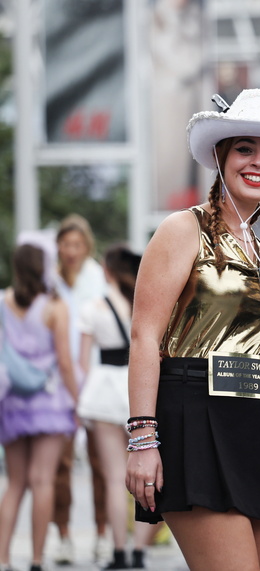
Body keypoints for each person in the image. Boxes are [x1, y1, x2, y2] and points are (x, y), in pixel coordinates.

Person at [124, 88, 260, 570]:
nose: (259, 162)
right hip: (195, 416)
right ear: (221, 155)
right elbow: (145, 336)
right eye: (245, 148)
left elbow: (253, 345)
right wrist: (142, 439)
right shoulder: (182, 229)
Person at [77, 244, 158, 569]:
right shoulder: (144, 305)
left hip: (103, 393)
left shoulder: (93, 308)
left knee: (113, 478)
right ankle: (140, 552)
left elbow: (83, 364)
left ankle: (119, 552)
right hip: (138, 390)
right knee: (145, 474)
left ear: (106, 270)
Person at [0, 244, 79, 571]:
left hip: (13, 401)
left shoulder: (3, 302)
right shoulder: (55, 307)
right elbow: (64, 361)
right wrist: (77, 401)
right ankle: (36, 559)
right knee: (43, 480)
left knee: (15, 483)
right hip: (49, 401)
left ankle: (2, 558)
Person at [52, 214, 109, 566]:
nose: (71, 250)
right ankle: (63, 536)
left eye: (77, 244)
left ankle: (103, 533)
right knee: (58, 465)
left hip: (96, 380)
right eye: (65, 244)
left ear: (86, 245)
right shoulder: (49, 282)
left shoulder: (98, 279)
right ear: (58, 246)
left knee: (101, 463)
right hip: (57, 384)